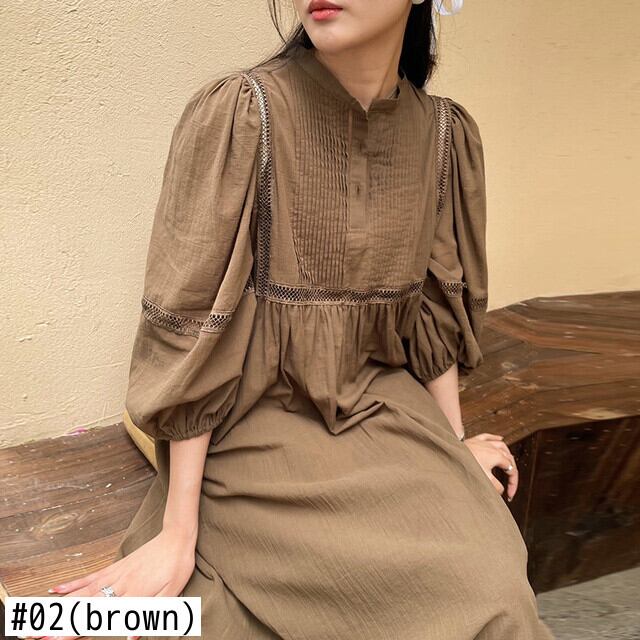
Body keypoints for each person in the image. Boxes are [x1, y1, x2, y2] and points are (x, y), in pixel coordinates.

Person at [46, 1, 556, 638]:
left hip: (383, 411)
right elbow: (194, 329)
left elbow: (435, 314)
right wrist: (177, 534)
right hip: (252, 423)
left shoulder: (444, 135)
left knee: (497, 598)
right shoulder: (244, 113)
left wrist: (454, 450)